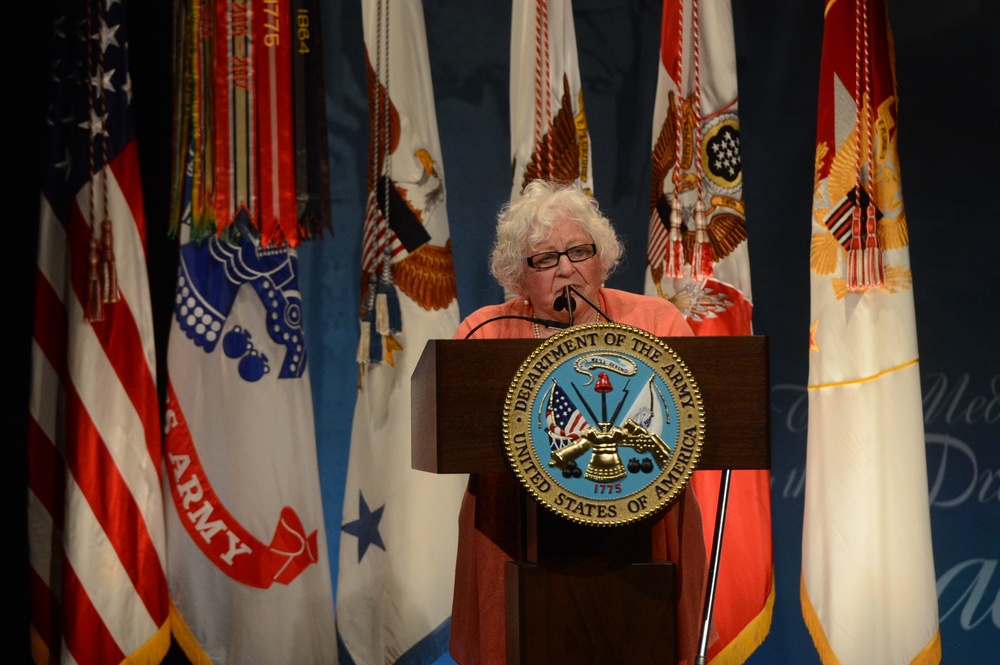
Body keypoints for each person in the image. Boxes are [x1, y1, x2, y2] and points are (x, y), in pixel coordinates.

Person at [449, 180, 710, 665]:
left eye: (578, 251)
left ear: (601, 258)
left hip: (643, 536)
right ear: (518, 276)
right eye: (545, 259)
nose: (566, 268)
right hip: (516, 534)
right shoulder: (485, 333)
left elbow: (694, 424)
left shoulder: (657, 322)